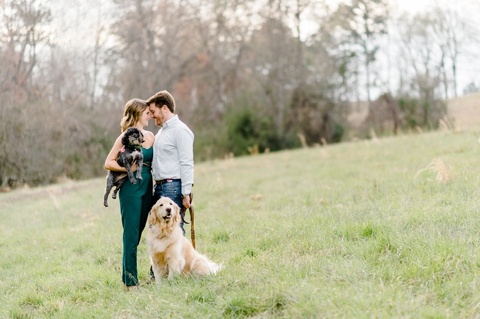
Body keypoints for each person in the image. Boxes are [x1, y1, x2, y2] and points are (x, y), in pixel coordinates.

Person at [104, 98, 155, 291]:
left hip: (148, 186)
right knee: (131, 235)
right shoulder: (126, 136)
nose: (149, 116)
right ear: (137, 114)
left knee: (140, 232)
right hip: (131, 189)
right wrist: (129, 169)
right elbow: (108, 162)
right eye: (146, 113)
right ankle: (130, 283)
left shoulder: (150, 136)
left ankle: (135, 277)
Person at [146, 90, 194, 236]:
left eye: (153, 111)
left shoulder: (181, 130)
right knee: (158, 230)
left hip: (173, 187)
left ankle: (181, 259)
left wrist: (186, 193)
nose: (152, 115)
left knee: (175, 231)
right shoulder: (161, 133)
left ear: (164, 108)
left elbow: (186, 162)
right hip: (159, 187)